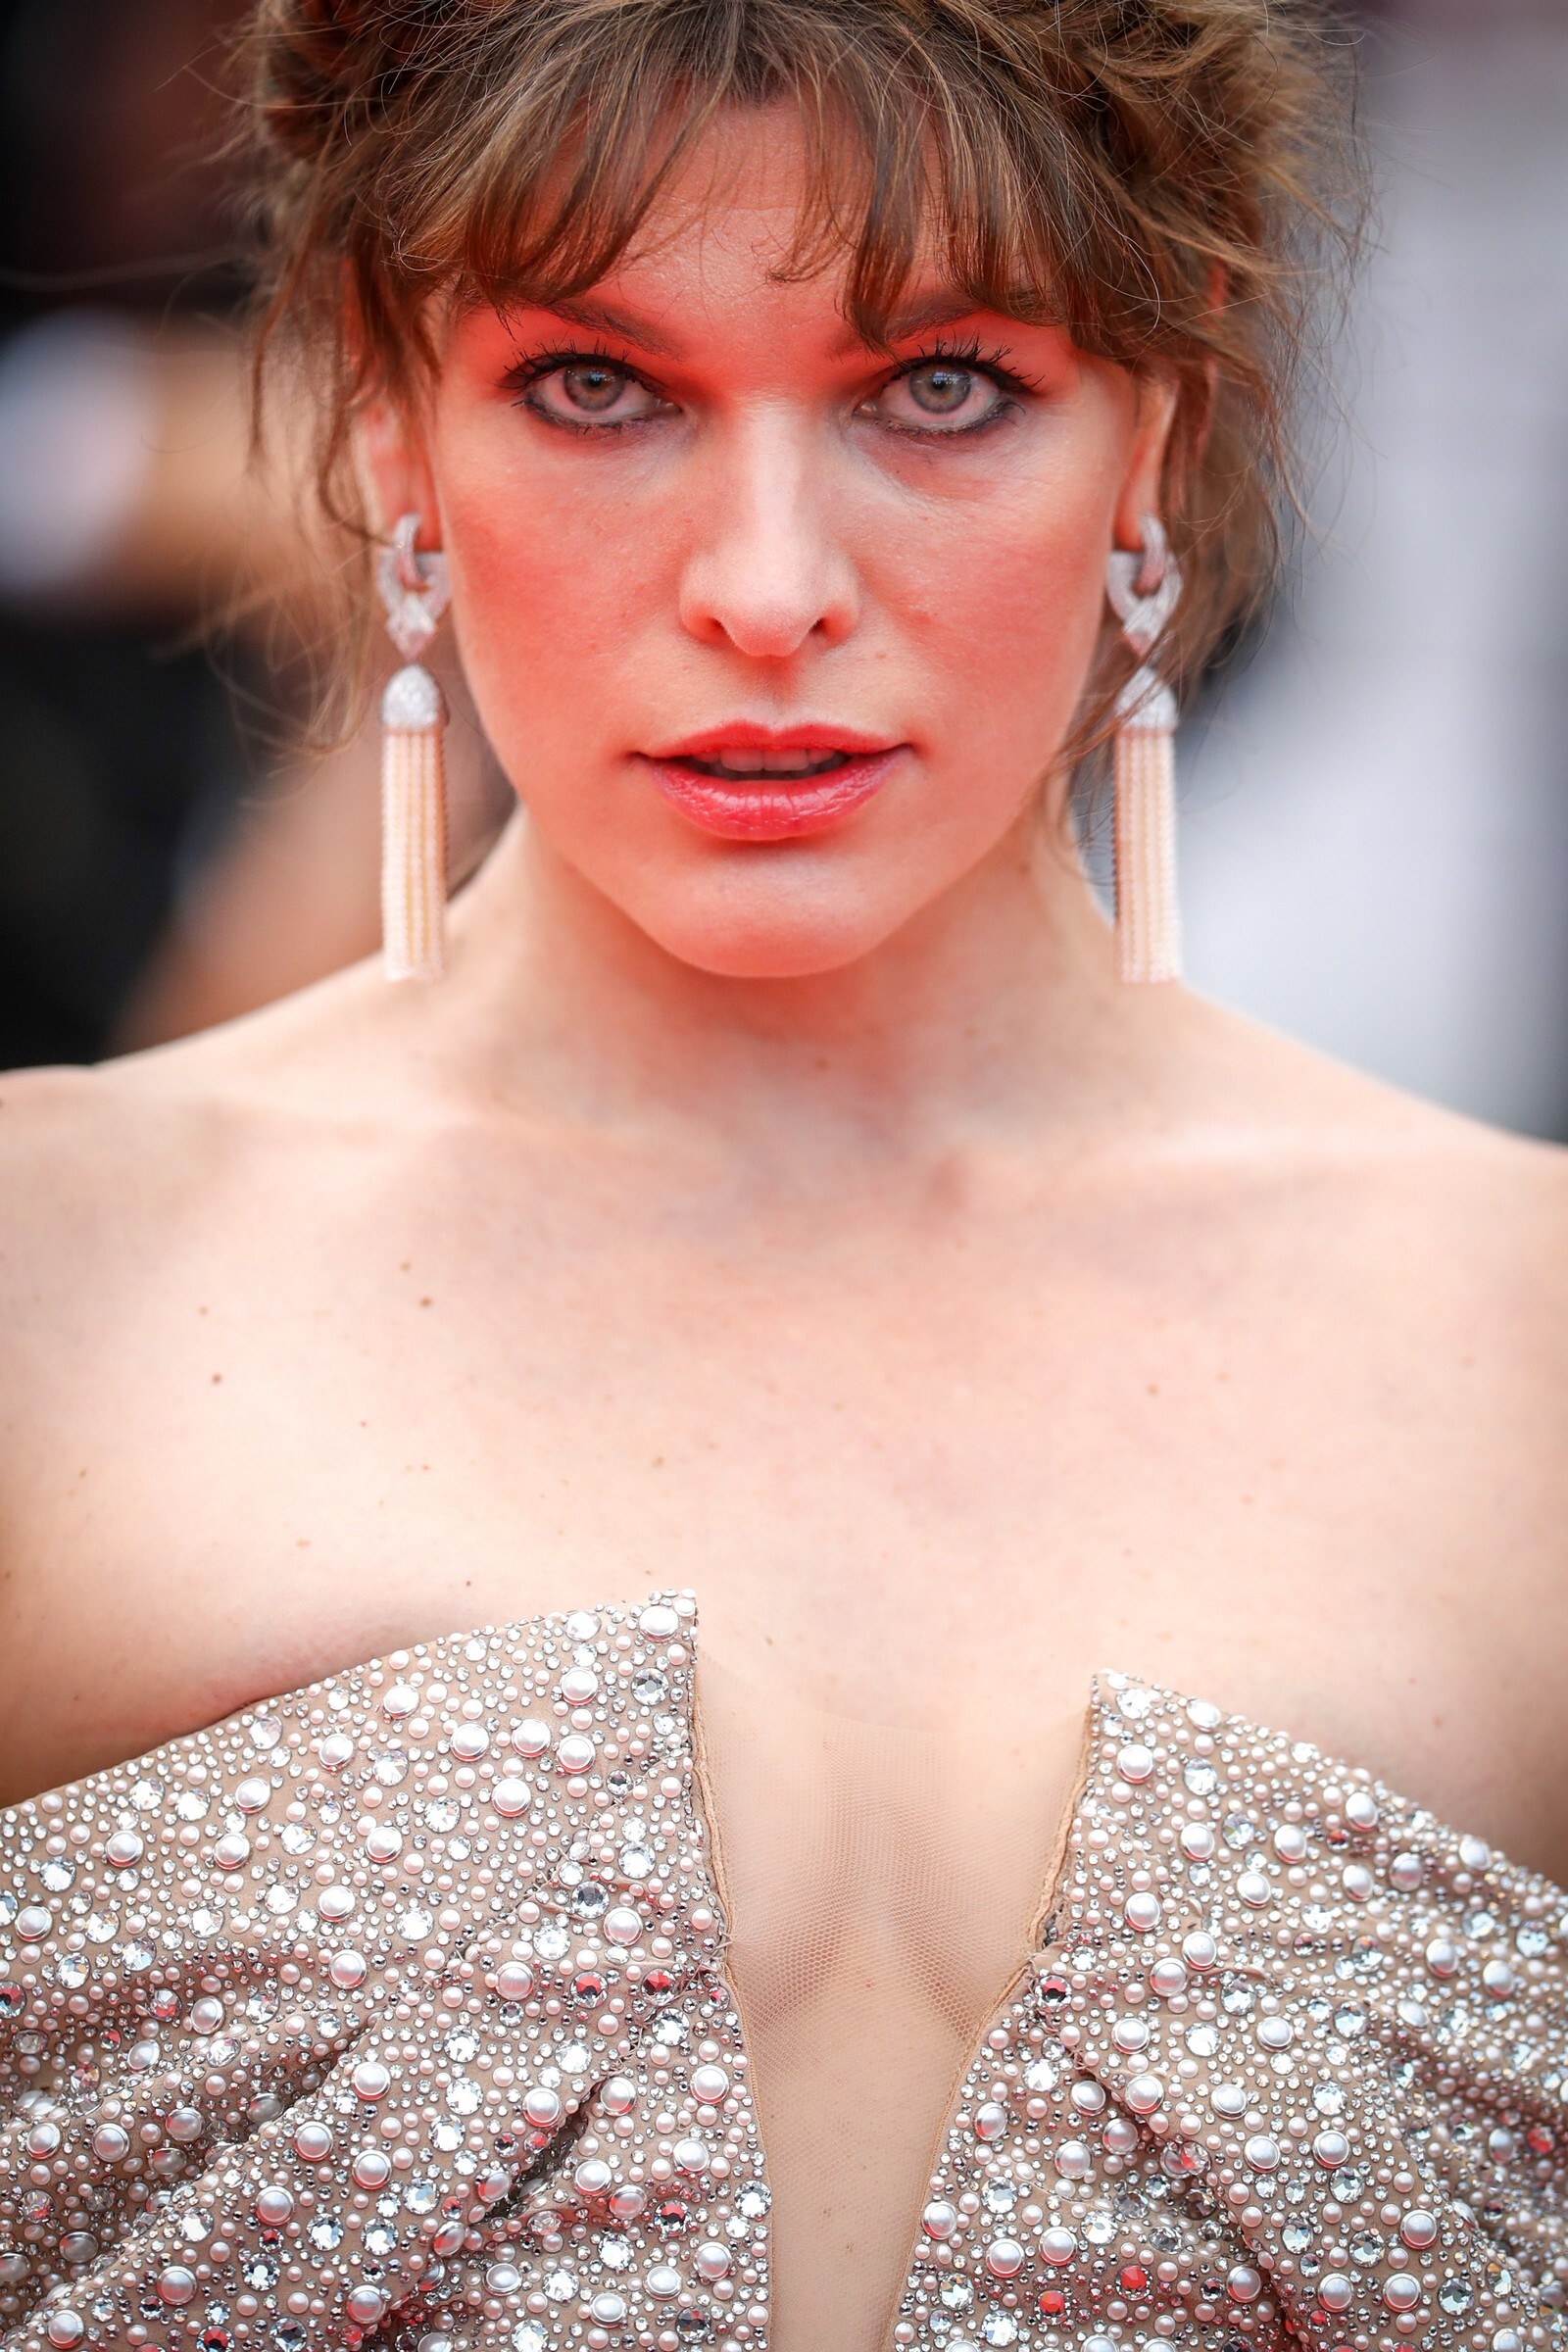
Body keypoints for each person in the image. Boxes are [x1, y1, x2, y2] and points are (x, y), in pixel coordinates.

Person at [2, 5, 1566, 2350]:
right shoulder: (52, 1283)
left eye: (937, 386)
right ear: (383, 405)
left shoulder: (1523, 1343)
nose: (765, 584)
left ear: (1165, 410)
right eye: (595, 385)